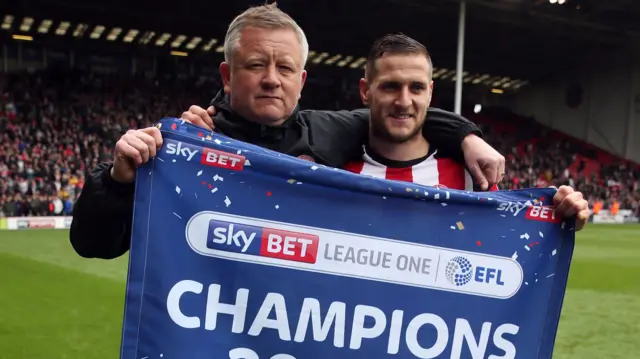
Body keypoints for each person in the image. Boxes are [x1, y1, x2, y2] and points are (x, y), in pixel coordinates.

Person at [69, 3, 505, 259]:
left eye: (285, 68)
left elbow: (400, 111)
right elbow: (93, 245)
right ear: (227, 74)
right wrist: (118, 179)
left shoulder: (329, 130)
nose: (272, 79)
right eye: (257, 65)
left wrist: (468, 136)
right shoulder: (184, 143)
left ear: (302, 80)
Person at [342, 33, 590, 230]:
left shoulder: (471, 180)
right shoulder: (335, 173)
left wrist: (562, 217)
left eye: (416, 88)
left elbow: (507, 239)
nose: (404, 101)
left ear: (430, 93)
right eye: (390, 87)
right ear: (366, 91)